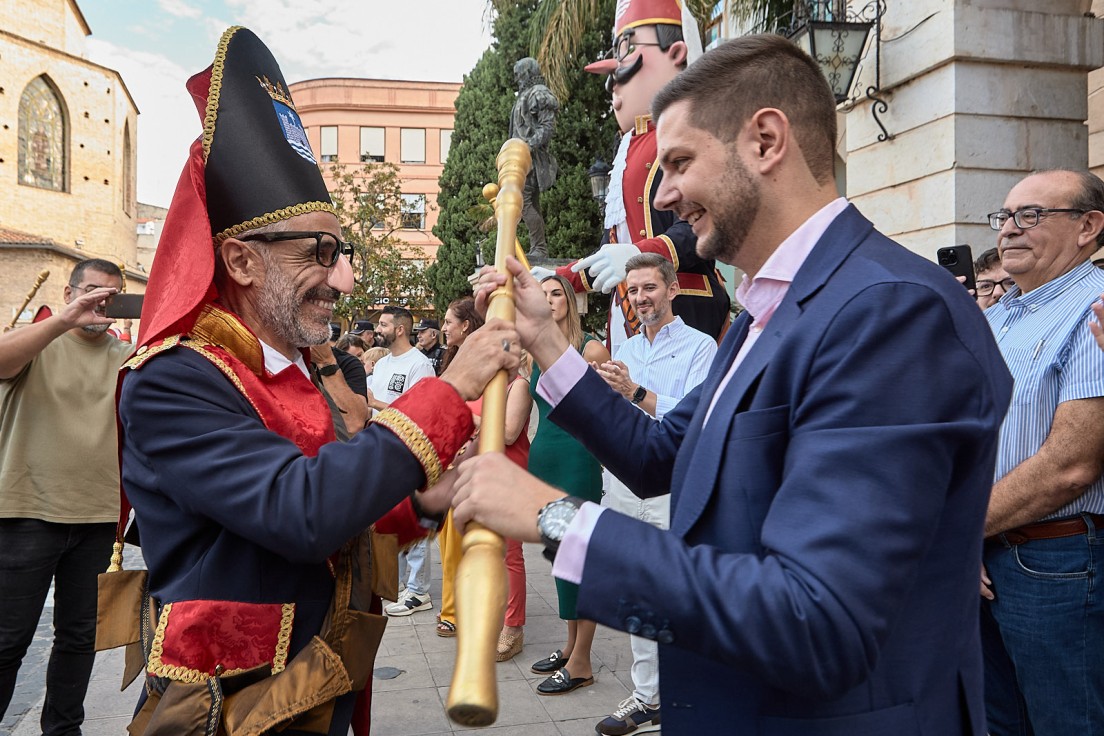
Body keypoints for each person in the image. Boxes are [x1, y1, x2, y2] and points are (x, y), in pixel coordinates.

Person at [454, 34, 1012, 734]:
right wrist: (545, 337)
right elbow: (662, 455)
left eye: (680, 162)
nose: (665, 196)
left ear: (766, 140)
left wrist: (553, 518)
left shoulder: (891, 312)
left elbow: (819, 620)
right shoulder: (766, 311)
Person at [110, 27, 517, 736]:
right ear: (239, 262)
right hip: (229, 713)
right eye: (319, 252)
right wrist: (452, 390)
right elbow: (301, 513)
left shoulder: (303, 371)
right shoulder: (173, 379)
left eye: (343, 252)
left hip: (324, 693)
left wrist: (426, 500)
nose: (341, 278)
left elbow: (344, 504)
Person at [978, 169, 1104, 736]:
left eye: (1030, 215)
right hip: (984, 557)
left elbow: (1071, 465)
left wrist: (959, 529)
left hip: (1056, 562)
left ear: (1089, 226)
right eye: (1004, 217)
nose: (1009, 230)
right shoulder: (1001, 314)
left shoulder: (1095, 309)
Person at [535, 0, 730, 355]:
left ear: (677, 53)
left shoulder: (688, 132)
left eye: (626, 51)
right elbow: (613, 251)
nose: (612, 80)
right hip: (629, 314)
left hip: (682, 309)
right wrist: (562, 278)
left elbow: (704, 225)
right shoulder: (628, 146)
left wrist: (638, 254)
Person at [0, 258, 133, 736]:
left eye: (111, 296)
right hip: (27, 512)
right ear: (69, 291)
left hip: (98, 518)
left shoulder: (125, 356)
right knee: (7, 640)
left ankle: (63, 730)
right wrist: (65, 319)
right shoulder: (37, 341)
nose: (101, 303)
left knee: (80, 638)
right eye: (92, 292)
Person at [591, 252, 715, 734]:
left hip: (671, 485)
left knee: (679, 591)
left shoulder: (701, 347)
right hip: (622, 483)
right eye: (634, 291)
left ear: (671, 290)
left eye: (649, 288)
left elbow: (696, 420)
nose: (641, 298)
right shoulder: (624, 345)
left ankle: (691, 693)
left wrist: (635, 392)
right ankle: (648, 697)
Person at [523, 274, 611, 695]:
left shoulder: (589, 347)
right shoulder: (532, 352)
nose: (550, 300)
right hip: (545, 458)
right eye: (542, 295)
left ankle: (582, 663)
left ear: (571, 301)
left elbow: (608, 413)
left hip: (579, 459)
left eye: (556, 293)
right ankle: (570, 646)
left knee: (582, 560)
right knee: (561, 559)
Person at [432, 297, 533, 656]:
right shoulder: (486, 384)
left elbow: (507, 433)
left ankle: (513, 626)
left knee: (509, 555)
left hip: (507, 478)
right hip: (475, 476)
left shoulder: (517, 386)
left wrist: (468, 421)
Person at [370, 306, 438, 618]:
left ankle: (419, 591)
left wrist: (374, 403)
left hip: (407, 452)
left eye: (383, 324)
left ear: (400, 329)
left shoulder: (419, 365)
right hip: (379, 449)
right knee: (388, 519)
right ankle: (396, 585)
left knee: (413, 519)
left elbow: (421, 412)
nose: (377, 329)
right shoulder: (382, 364)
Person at [509, 57, 559, 258]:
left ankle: (539, 248)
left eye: (519, 73)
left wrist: (526, 147)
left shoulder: (538, 93)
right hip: (520, 161)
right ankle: (538, 247)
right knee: (528, 202)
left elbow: (547, 127)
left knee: (523, 202)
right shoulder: (526, 94)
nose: (516, 78)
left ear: (527, 72)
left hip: (530, 160)